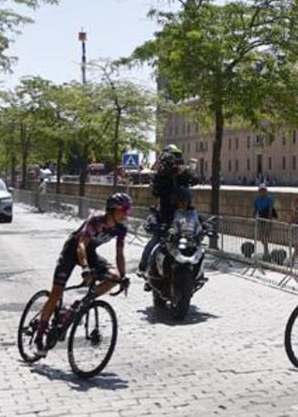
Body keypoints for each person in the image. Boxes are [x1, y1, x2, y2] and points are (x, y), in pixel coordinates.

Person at [32, 192, 132, 357]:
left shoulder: (121, 229)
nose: (127, 214)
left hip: (90, 252)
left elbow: (119, 254)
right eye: (124, 210)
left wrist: (123, 276)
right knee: (56, 293)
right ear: (112, 210)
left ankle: (80, 303)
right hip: (73, 251)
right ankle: (40, 334)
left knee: (114, 277)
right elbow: (81, 245)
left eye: (128, 210)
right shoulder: (96, 221)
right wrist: (85, 268)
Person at [139, 144, 197, 273]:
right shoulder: (160, 175)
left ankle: (197, 271)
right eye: (172, 158)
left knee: (196, 238)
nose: (174, 162)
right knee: (157, 239)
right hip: (166, 214)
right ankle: (143, 268)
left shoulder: (182, 173)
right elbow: (156, 192)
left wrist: (186, 172)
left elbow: (195, 181)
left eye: (177, 158)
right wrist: (165, 175)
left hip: (185, 214)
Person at [253, 184, 277, 257]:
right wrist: (253, 216)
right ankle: (266, 250)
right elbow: (255, 209)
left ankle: (266, 252)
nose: (263, 192)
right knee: (260, 236)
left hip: (267, 219)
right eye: (261, 190)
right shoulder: (257, 200)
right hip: (260, 219)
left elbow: (270, 209)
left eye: (264, 190)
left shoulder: (269, 199)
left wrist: (269, 220)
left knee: (265, 236)